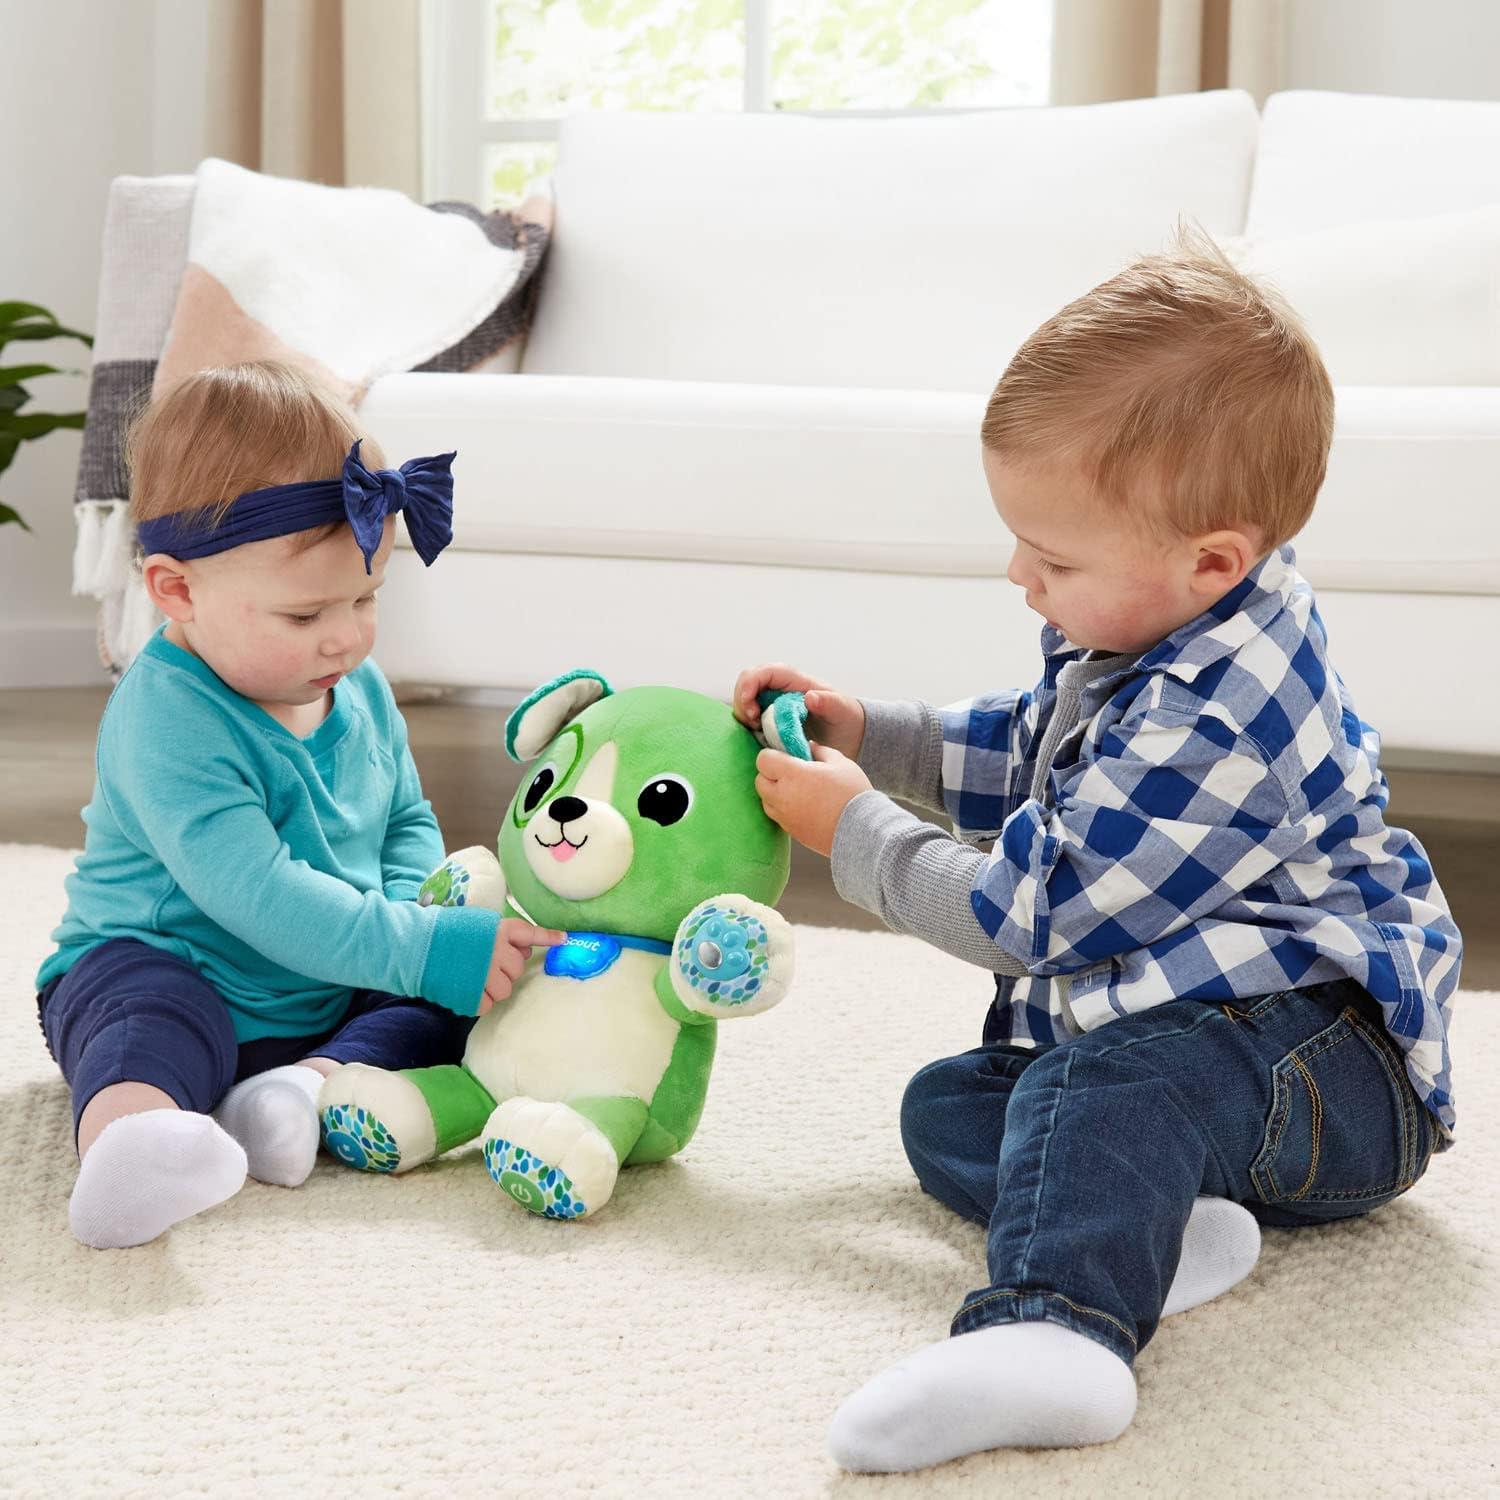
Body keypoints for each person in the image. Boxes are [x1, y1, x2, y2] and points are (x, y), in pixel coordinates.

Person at [735, 234, 1462, 1472]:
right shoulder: (1164, 619)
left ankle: (1056, 1333)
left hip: (1331, 1069)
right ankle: (1153, 1228)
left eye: (1055, 558)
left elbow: (1030, 915)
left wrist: (856, 833)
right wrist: (876, 736)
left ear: (1212, 558)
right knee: (956, 1105)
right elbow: (1041, 752)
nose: (1020, 574)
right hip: (1221, 1050)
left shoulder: (1220, 718)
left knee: (1098, 1089)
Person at [36, 360, 562, 1251]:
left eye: (366, 597)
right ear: (177, 590)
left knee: (461, 1005)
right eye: (306, 615)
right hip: (174, 964)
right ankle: (130, 1144)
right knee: (146, 1024)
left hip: (323, 979)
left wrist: (424, 915)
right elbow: (258, 890)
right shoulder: (167, 715)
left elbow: (402, 819)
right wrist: (415, 947)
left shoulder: (356, 687)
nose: (347, 637)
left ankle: (301, 1089)